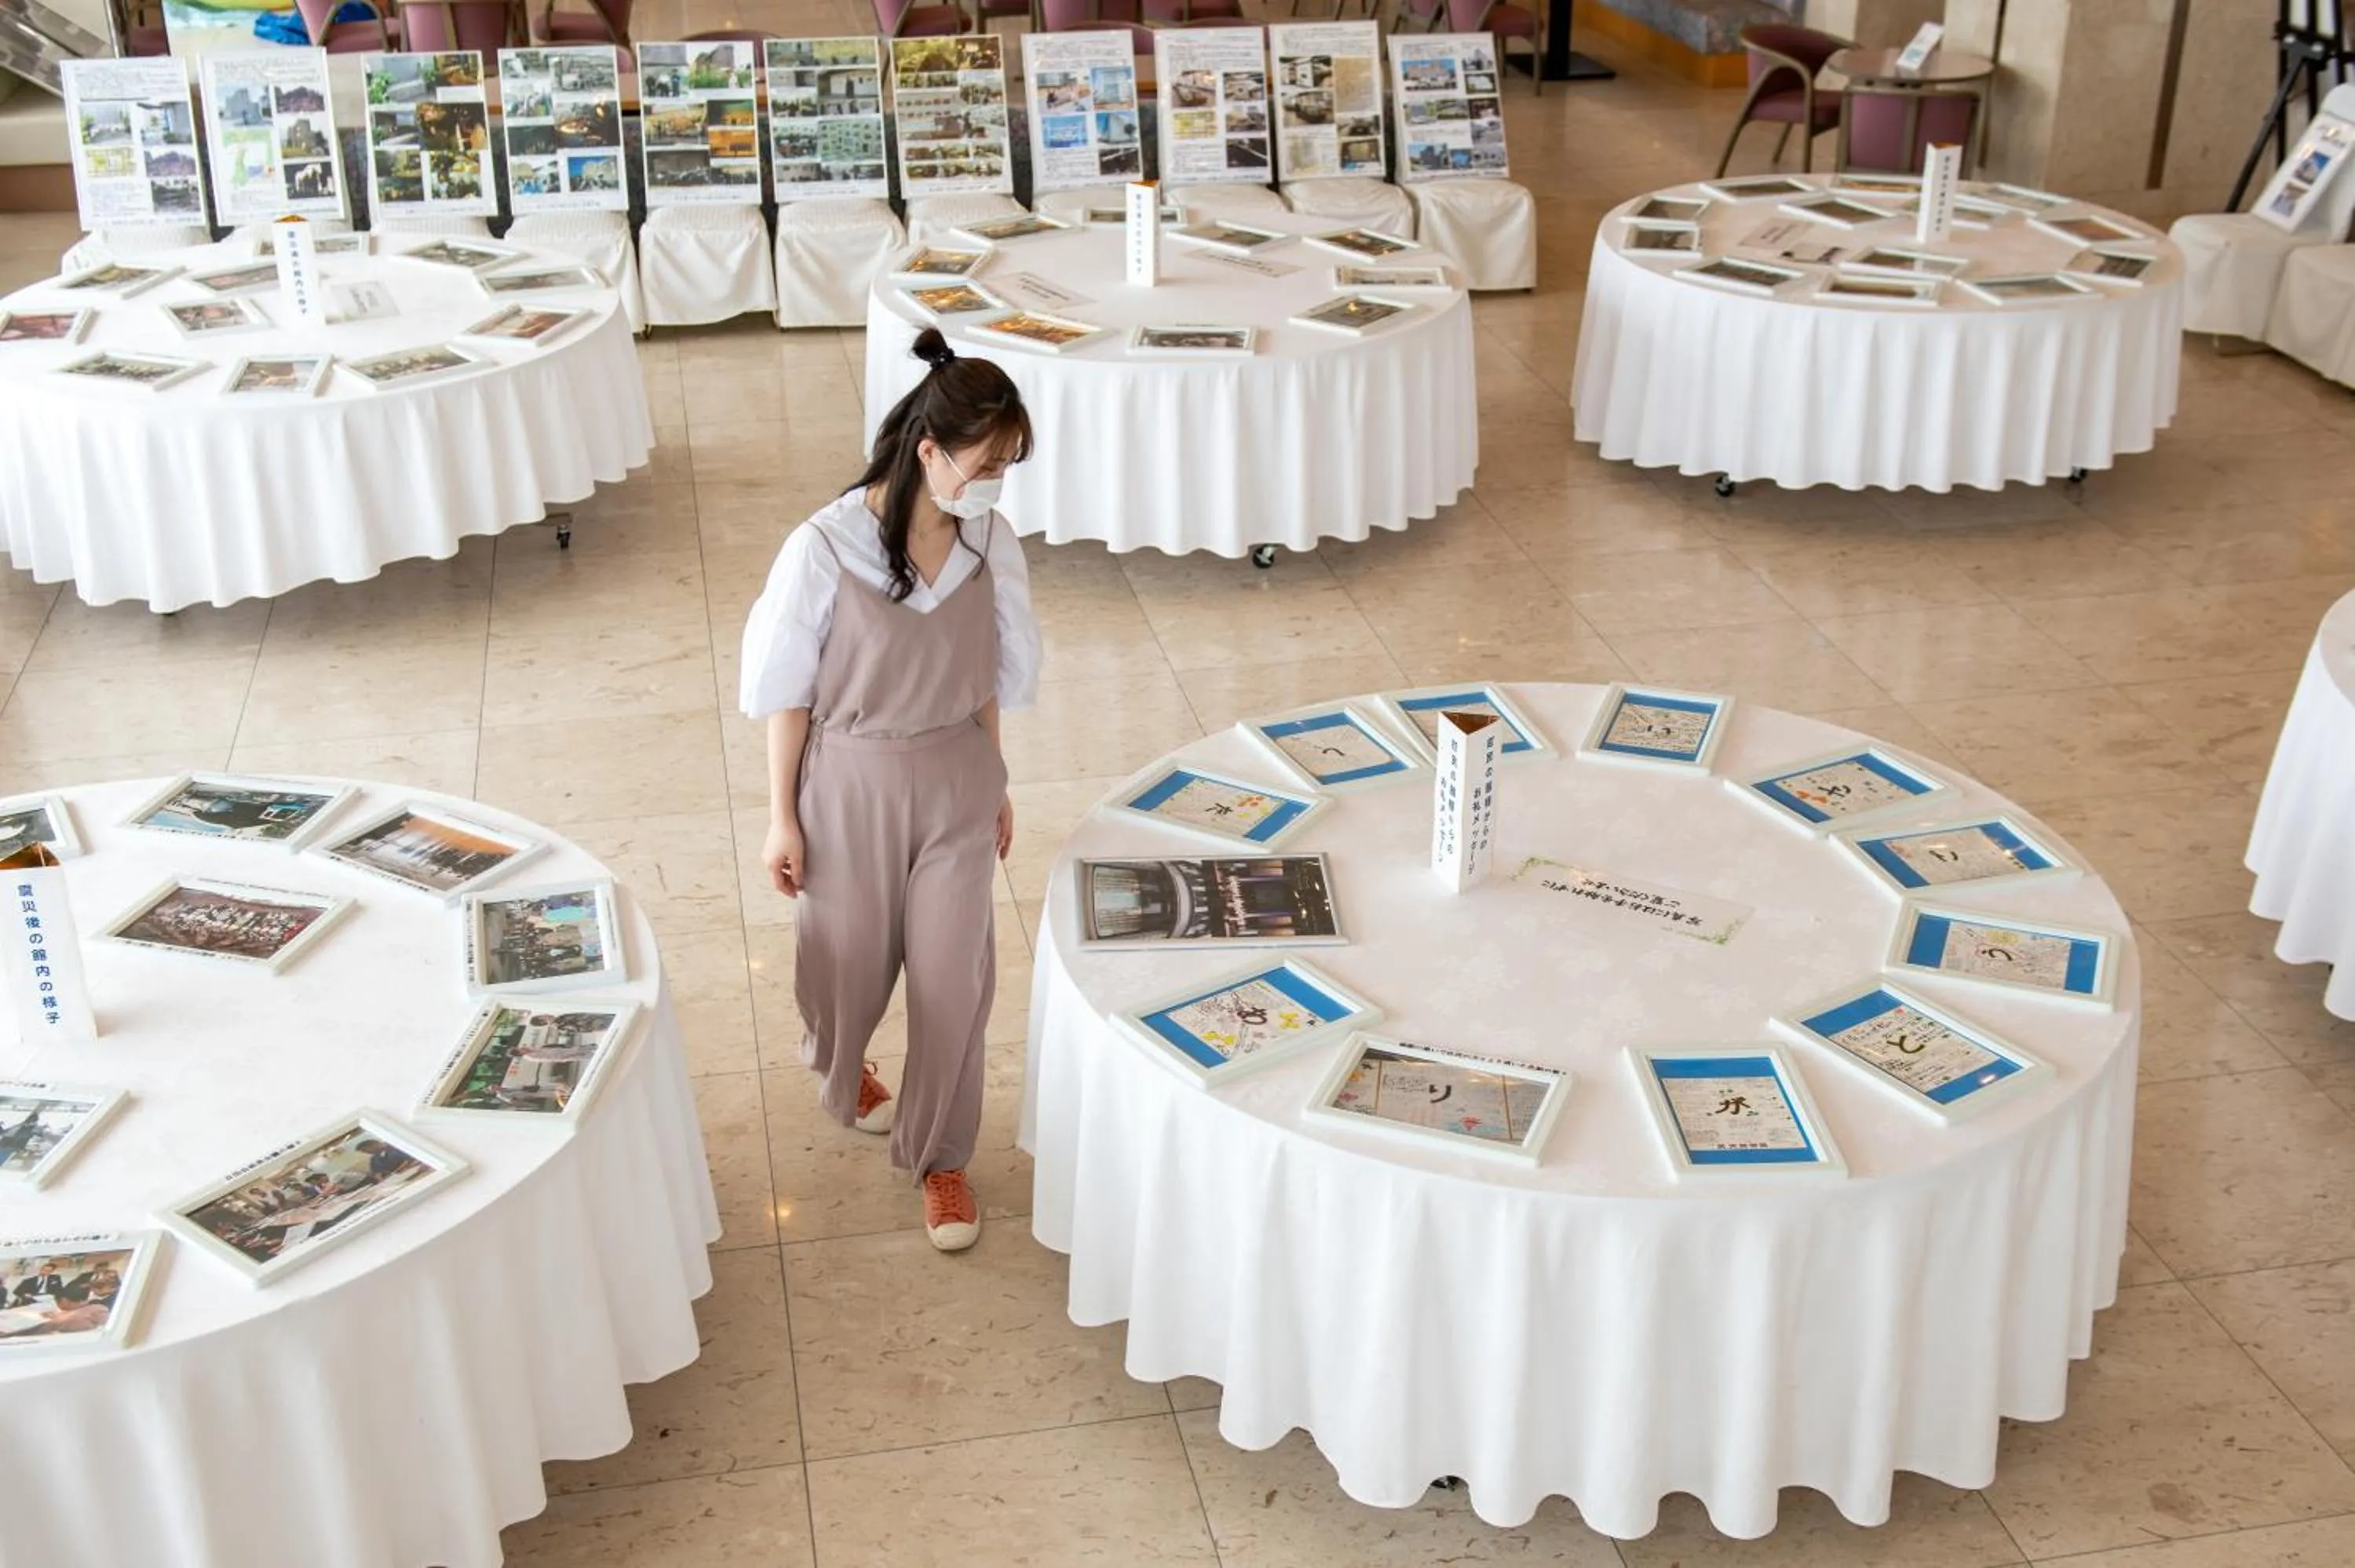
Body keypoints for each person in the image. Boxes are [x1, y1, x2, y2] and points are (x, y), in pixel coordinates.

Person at [739, 326, 1040, 1253]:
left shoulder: (991, 545)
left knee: (956, 984)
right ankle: (836, 1056)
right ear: (929, 451)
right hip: (850, 785)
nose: (995, 484)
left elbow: (990, 673)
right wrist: (782, 817)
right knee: (844, 967)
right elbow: (786, 693)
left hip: (954, 782)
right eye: (985, 464)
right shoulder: (825, 548)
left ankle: (942, 1159)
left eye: (1009, 467)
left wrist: (996, 780)